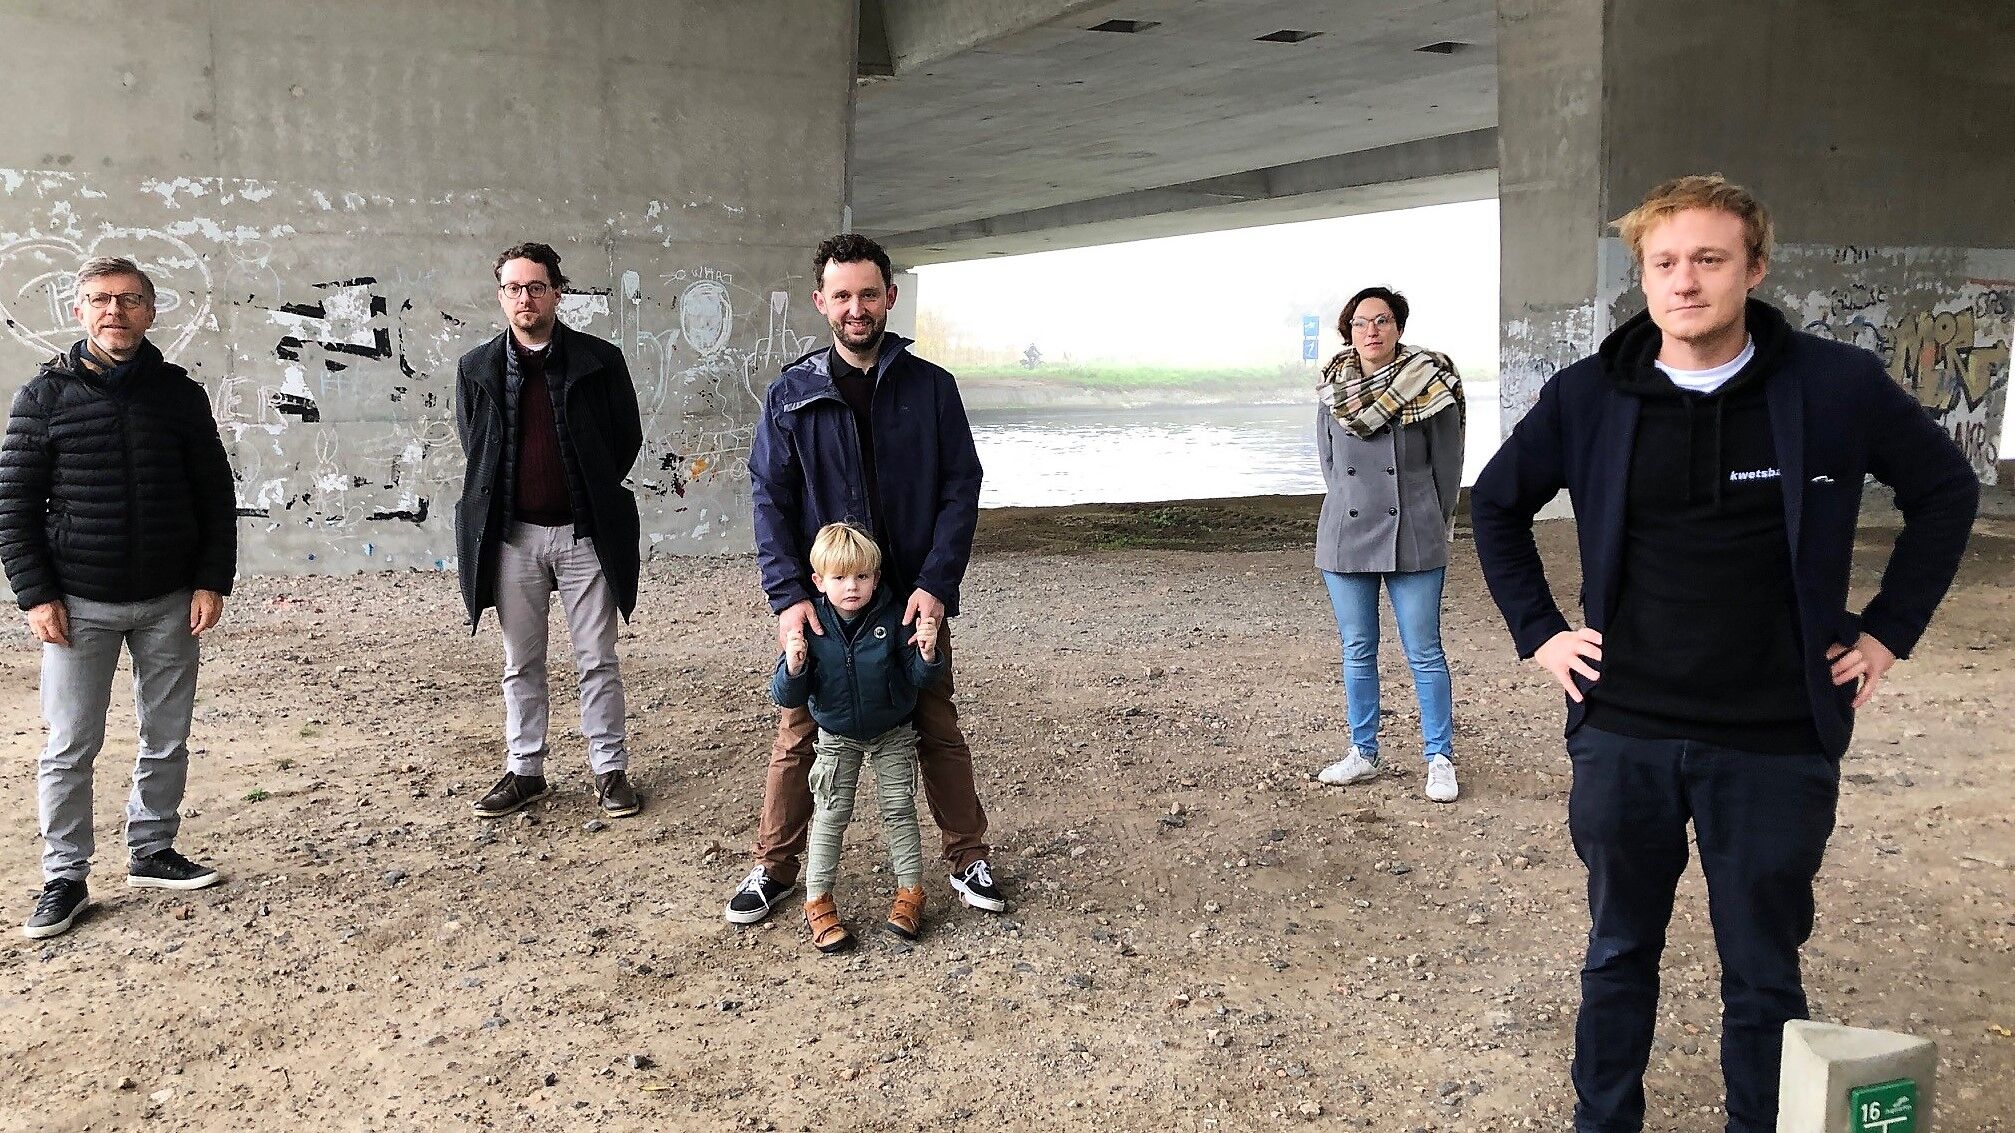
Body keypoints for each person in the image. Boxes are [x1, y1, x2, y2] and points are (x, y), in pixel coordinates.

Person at [1470, 174, 1978, 1133]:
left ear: (1753, 268)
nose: (1684, 280)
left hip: (1774, 737)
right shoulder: (1589, 395)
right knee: (1617, 952)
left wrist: (1886, 631)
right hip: (1624, 730)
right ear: (1642, 277)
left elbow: (1945, 492)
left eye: (1708, 259)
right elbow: (1495, 504)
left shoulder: (1833, 386)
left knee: (1761, 972)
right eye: (1664, 262)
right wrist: (1540, 633)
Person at [726, 232, 1002, 924]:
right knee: (798, 732)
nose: (857, 308)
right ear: (820, 302)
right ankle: (774, 867)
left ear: (890, 297)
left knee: (937, 725)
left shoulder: (931, 388)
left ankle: (967, 857)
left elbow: (960, 488)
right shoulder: (790, 394)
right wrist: (788, 597)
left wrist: (936, 584)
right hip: (830, 599)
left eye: (869, 294)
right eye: (842, 295)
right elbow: (769, 500)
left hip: (911, 597)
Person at [0, 256, 238, 940]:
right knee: (70, 743)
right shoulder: (44, 397)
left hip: (171, 600)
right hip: (80, 604)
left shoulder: (179, 395)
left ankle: (153, 849)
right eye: (101, 299)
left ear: (150, 311)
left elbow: (214, 494)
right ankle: (65, 876)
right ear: (79, 310)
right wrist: (36, 595)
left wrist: (211, 579)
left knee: (167, 734)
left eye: (130, 299)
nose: (115, 311)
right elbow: (14, 505)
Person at [453, 242, 646, 820]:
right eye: (514, 288)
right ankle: (525, 770)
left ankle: (609, 771)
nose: (525, 299)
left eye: (536, 287)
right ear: (500, 296)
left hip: (585, 536)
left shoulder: (599, 361)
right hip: (514, 539)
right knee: (521, 661)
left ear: (557, 293)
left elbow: (625, 439)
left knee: (597, 659)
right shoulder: (477, 368)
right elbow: (476, 447)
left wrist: (590, 489)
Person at [1311, 287, 1465, 802]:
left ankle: (1439, 758)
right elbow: (1330, 465)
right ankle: (1363, 752)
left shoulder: (1431, 383)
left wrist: (1429, 519)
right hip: (1346, 536)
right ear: (1348, 332)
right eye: (1360, 323)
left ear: (1398, 327)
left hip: (1413, 533)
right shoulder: (1333, 391)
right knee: (1358, 649)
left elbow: (1448, 468)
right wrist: (1349, 503)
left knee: (1424, 650)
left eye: (1381, 320)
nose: (1370, 331)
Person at [769, 523, 945, 952]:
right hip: (836, 736)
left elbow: (919, 678)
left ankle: (910, 892)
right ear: (819, 581)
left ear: (876, 578)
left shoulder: (894, 616)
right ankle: (817, 900)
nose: (852, 587)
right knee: (830, 814)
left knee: (899, 810)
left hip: (892, 733)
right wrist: (793, 666)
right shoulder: (811, 626)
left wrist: (927, 654)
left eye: (862, 576)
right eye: (840, 578)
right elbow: (788, 695)